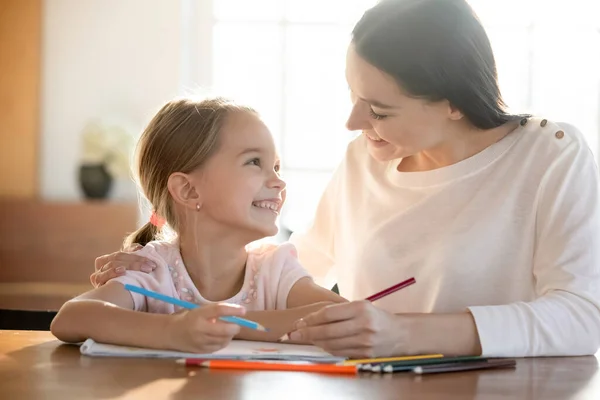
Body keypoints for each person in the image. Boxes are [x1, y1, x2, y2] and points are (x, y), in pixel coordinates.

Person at [90, 0, 600, 358]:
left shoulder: (550, 156)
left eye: (378, 109)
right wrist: (169, 266)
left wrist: (402, 333)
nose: (353, 123)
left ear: (453, 102)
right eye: (353, 96)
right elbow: (293, 268)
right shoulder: (366, 159)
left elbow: (582, 319)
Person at [51, 97, 345, 353]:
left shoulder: (276, 268)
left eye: (277, 167)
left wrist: (226, 324)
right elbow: (71, 318)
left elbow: (339, 314)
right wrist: (172, 332)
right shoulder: (152, 269)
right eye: (255, 162)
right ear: (189, 191)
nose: (279, 182)